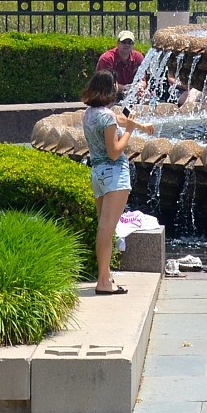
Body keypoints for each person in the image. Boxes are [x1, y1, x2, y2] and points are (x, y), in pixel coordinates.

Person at [81, 70, 149, 296]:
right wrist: (129, 132)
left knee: (104, 227)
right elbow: (115, 151)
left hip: (98, 174)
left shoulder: (90, 113)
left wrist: (138, 125)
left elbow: (116, 119)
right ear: (110, 90)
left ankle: (105, 275)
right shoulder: (107, 117)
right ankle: (102, 280)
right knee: (106, 229)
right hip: (114, 174)